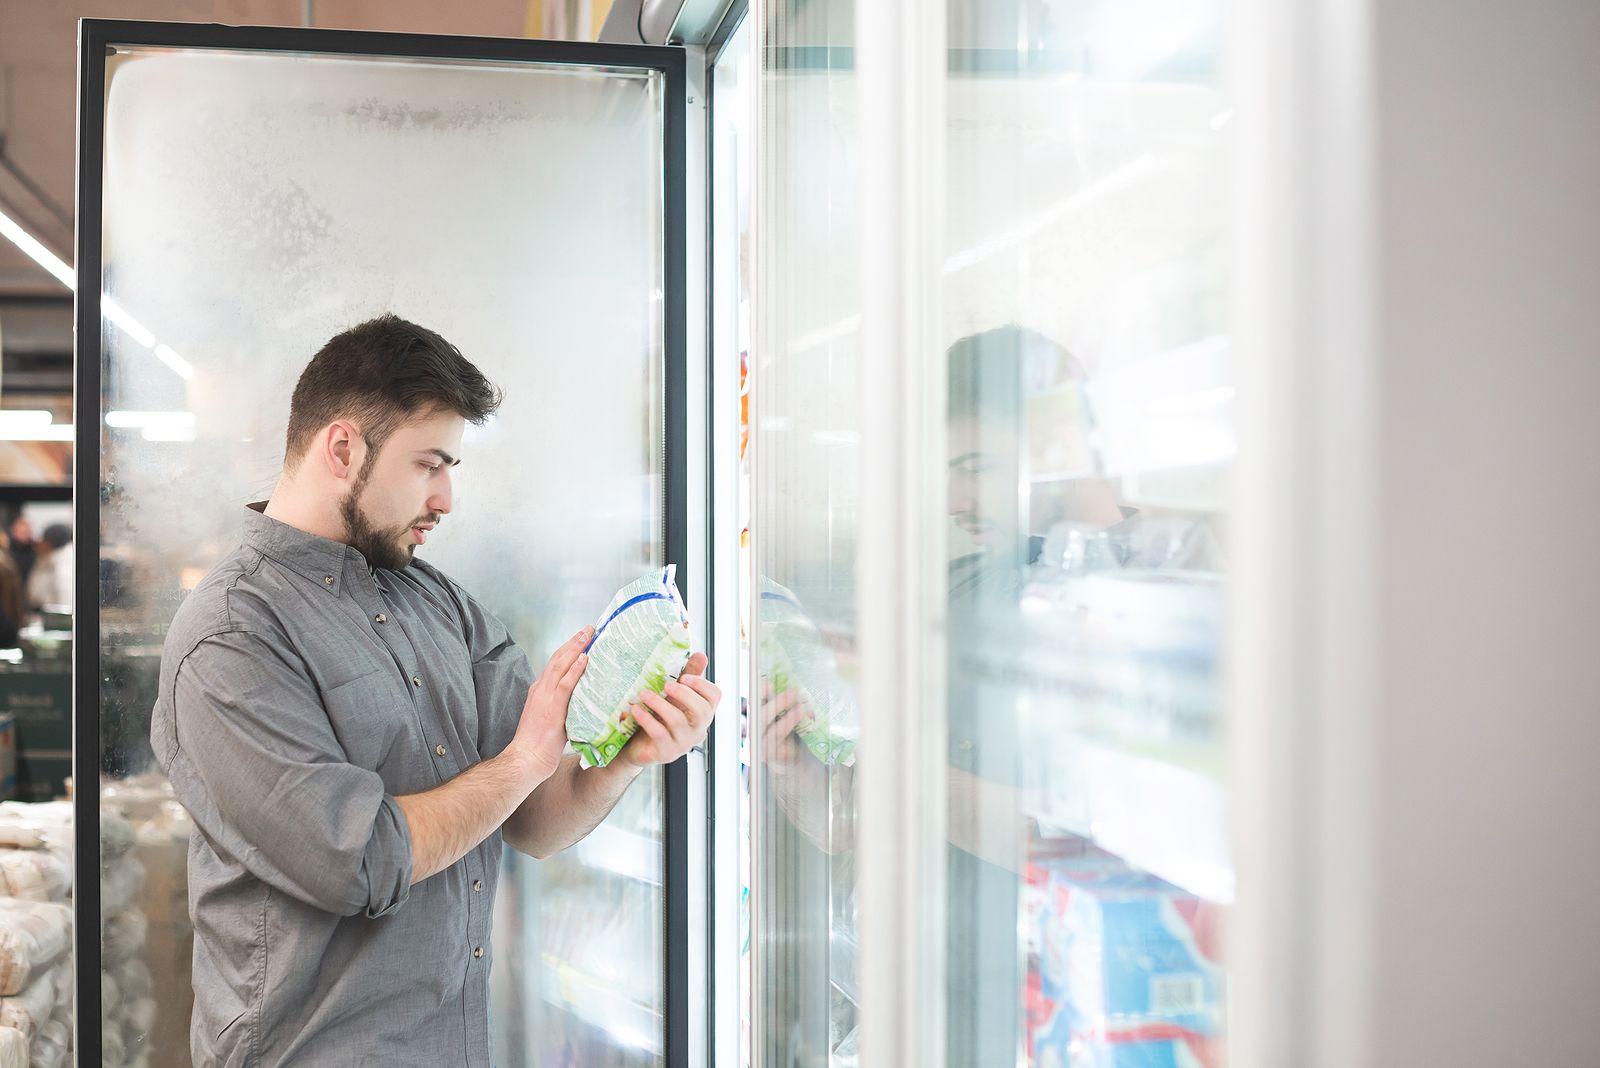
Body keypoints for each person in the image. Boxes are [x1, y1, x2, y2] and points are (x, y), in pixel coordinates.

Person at [151, 314, 721, 1066]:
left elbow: (534, 823)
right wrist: (523, 759)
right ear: (343, 447)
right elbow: (356, 860)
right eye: (429, 464)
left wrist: (622, 759)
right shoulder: (233, 636)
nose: (446, 498)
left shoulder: (440, 603)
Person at [24, 524, 72, 612]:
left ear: (50, 542)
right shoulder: (47, 558)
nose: (40, 543)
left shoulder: (62, 563)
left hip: (54, 617)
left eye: (43, 540)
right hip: (42, 612)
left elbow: (65, 597)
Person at [6, 517, 36, 587]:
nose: (25, 535)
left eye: (27, 532)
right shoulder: (7, 551)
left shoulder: (35, 550)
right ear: (14, 532)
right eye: (22, 533)